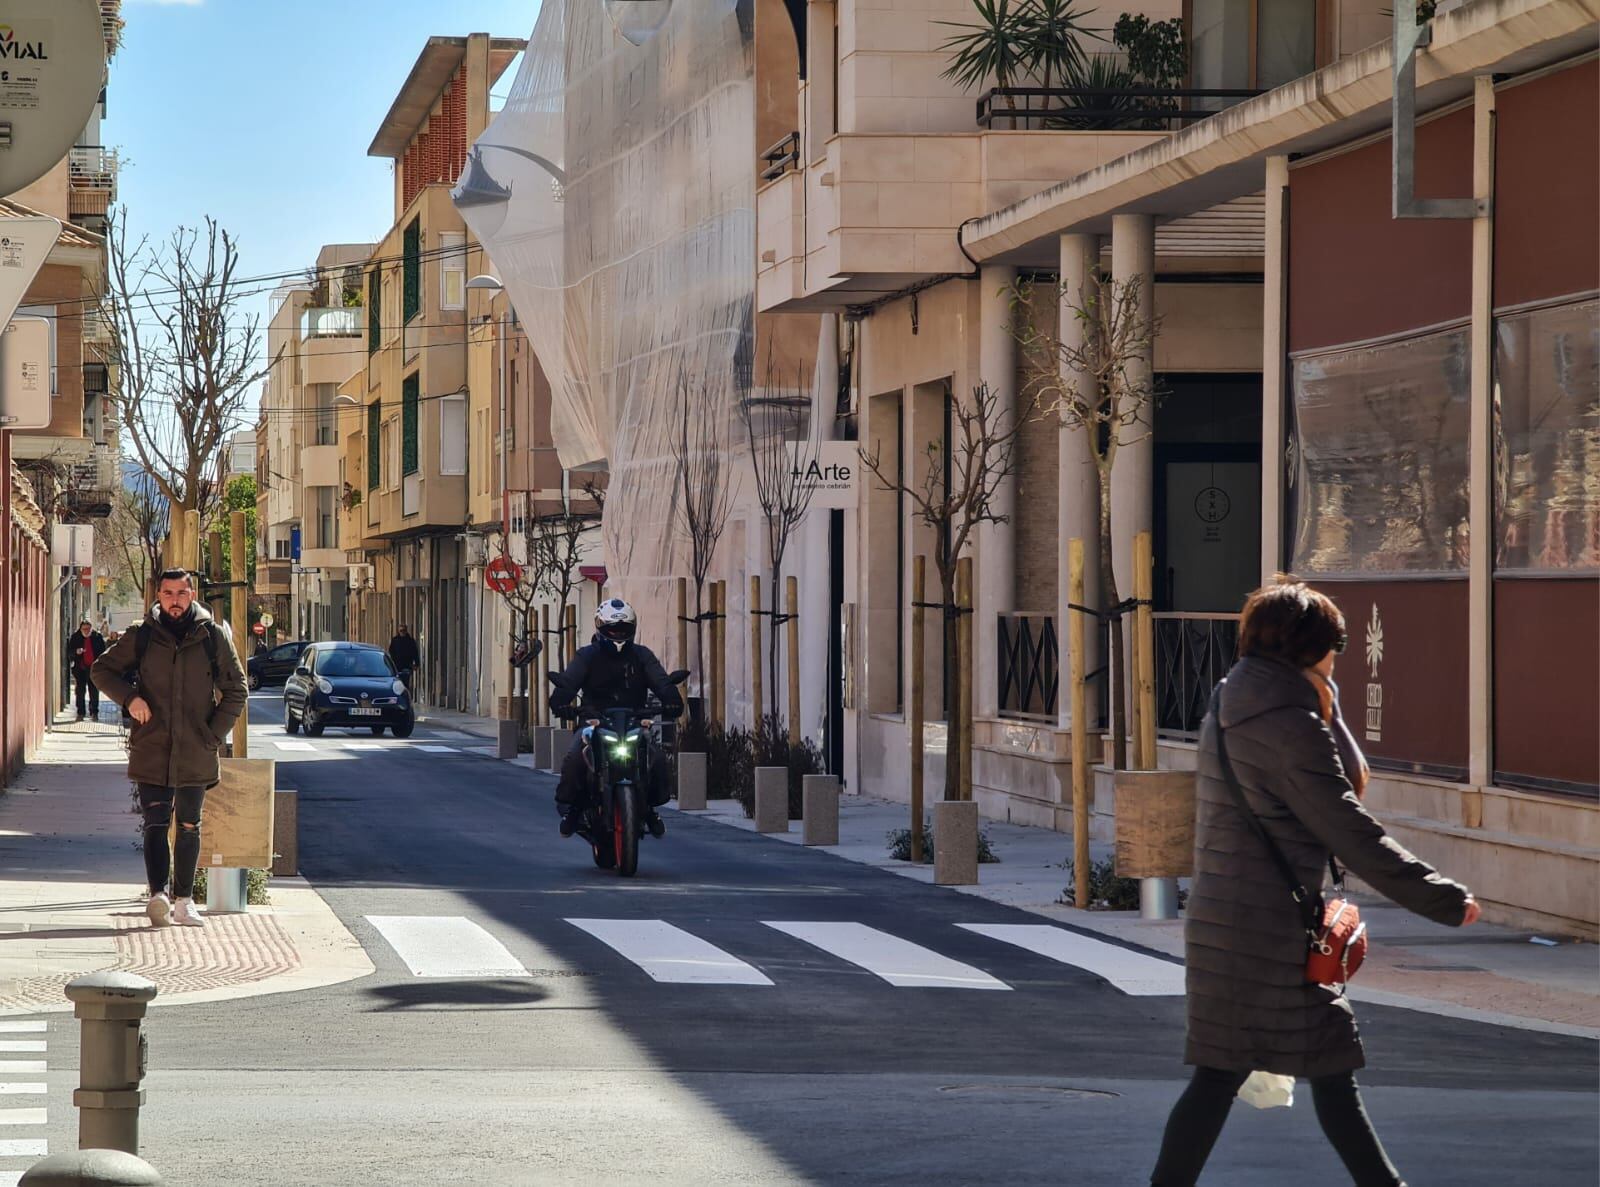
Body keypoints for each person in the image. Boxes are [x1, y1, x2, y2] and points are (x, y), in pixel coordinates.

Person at [1150, 580, 1479, 1187]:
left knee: (1314, 1069)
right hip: (1263, 936)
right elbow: (1347, 822)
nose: (1339, 656)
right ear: (1309, 648)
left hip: (1245, 925)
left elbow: (1345, 780)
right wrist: (1441, 897)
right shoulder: (1287, 722)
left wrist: (1324, 694)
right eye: (1337, 644)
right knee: (1232, 1074)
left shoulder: (1238, 698)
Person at [92, 569, 248, 929]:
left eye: (181, 592)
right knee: (155, 822)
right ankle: (158, 895)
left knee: (190, 824)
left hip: (196, 748)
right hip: (153, 745)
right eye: (168, 593)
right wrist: (130, 699)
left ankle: (184, 901)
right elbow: (102, 671)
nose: (174, 600)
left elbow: (237, 688)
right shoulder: (143, 635)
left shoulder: (211, 637)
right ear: (158, 595)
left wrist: (213, 735)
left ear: (191, 595)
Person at [550, 598, 683, 838]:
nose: (618, 634)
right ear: (600, 627)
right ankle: (572, 808)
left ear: (632, 628)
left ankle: (650, 807)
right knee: (574, 757)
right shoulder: (587, 656)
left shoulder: (642, 656)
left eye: (623, 629)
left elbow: (661, 680)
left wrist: (672, 699)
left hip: (633, 722)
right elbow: (569, 682)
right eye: (613, 629)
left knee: (657, 757)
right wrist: (561, 702)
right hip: (595, 722)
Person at [66, 620, 106, 721]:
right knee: (80, 690)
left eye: (88, 629)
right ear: (80, 629)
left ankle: (94, 712)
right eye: (84, 629)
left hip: (94, 668)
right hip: (80, 668)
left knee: (94, 690)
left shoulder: (97, 637)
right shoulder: (75, 637)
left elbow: (103, 652)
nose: (86, 631)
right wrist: (76, 652)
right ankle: (81, 712)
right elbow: (69, 652)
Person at [388, 624, 420, 691]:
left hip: (407, 665)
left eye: (404, 630)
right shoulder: (395, 640)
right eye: (401, 631)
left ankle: (406, 697)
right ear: (398, 631)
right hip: (397, 666)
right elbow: (391, 651)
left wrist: (417, 664)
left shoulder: (410, 641)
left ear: (406, 631)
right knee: (397, 683)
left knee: (406, 683)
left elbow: (415, 653)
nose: (402, 632)